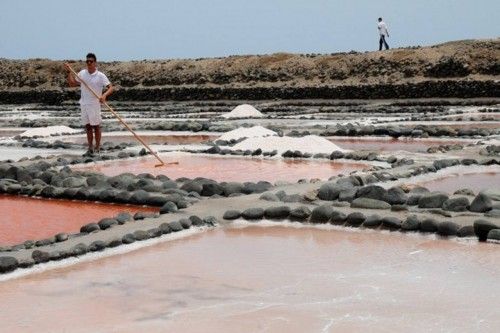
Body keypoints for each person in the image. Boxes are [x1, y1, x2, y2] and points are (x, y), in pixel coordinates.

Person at [64, 53, 113, 156]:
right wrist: (69, 72)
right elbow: (72, 84)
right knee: (88, 126)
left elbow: (111, 88)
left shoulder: (100, 75)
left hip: (94, 104)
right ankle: (90, 147)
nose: (89, 63)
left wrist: (104, 96)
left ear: (95, 62)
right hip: (84, 103)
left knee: (96, 126)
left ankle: (98, 147)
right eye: (87, 61)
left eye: (91, 61)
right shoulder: (82, 73)